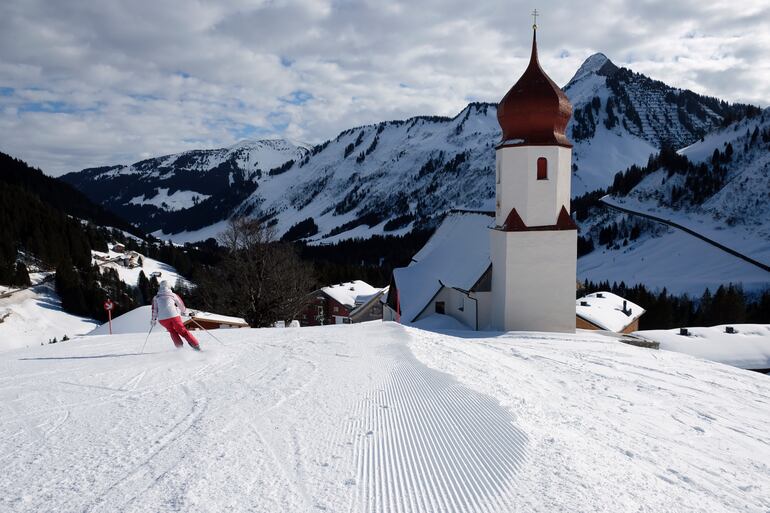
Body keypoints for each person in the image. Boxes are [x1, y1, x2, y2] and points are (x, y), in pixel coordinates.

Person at [151, 281, 201, 351]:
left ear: (160, 287)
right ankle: (196, 346)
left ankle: (180, 349)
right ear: (169, 287)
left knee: (172, 331)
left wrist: (153, 320)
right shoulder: (173, 295)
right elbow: (180, 304)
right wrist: (185, 312)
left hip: (162, 319)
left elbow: (154, 310)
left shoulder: (156, 297)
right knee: (182, 331)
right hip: (174, 316)